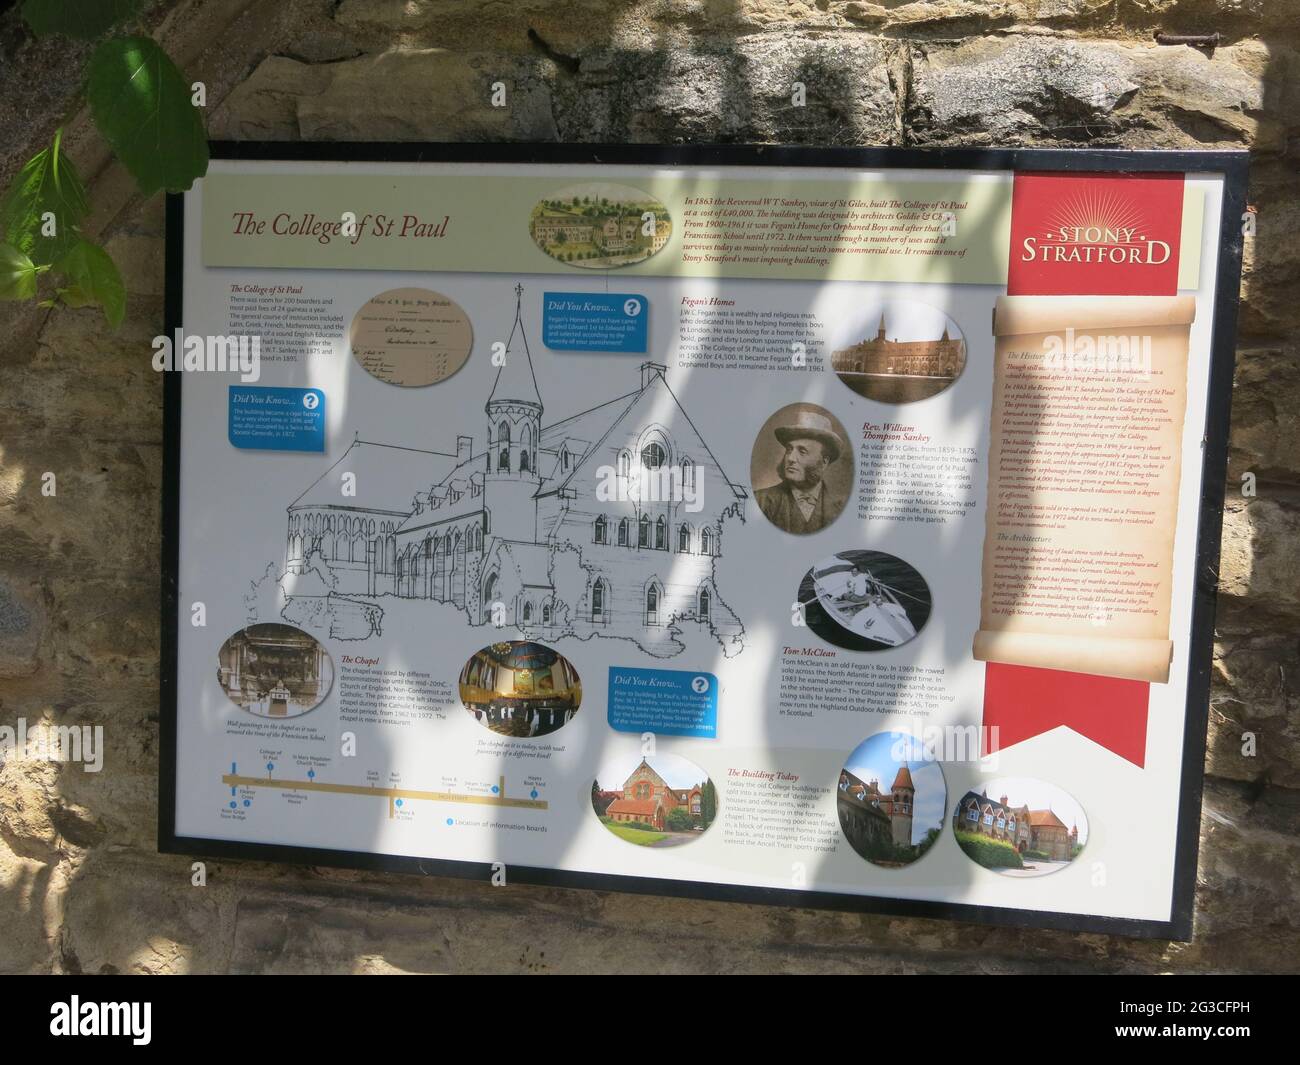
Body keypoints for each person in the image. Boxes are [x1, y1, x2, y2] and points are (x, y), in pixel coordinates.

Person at [754, 408, 848, 534]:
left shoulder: (842, 509)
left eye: (802, 451)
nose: (791, 458)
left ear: (824, 461)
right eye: (789, 450)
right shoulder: (761, 500)